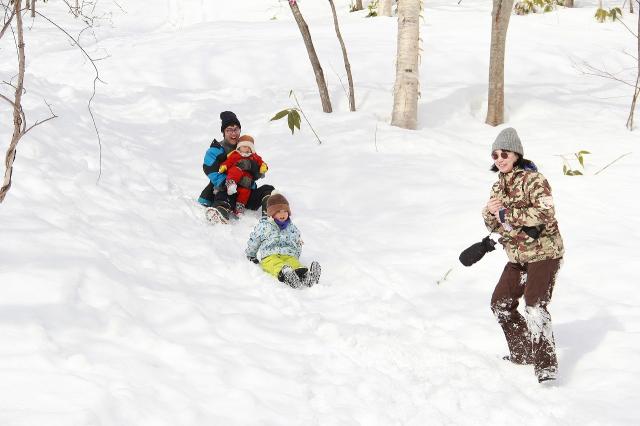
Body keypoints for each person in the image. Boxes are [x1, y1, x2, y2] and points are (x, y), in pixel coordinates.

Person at [481, 127, 564, 383]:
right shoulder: (498, 186)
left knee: (535, 305)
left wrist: (508, 214)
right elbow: (498, 226)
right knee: (500, 303)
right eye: (495, 155)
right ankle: (523, 354)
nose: (499, 159)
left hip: (544, 252)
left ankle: (546, 367)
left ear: (516, 154)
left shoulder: (534, 180)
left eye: (504, 153)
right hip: (518, 257)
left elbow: (545, 213)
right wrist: (489, 212)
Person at [197, 111, 274, 223]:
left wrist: (251, 166)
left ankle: (270, 214)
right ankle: (221, 212)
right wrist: (235, 182)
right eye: (229, 130)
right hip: (225, 191)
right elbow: (212, 172)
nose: (233, 133)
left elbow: (258, 173)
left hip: (245, 193)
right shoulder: (215, 150)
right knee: (223, 195)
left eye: (236, 129)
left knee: (268, 189)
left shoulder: (245, 148)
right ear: (223, 132)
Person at [245, 192, 321, 289]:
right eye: (278, 211)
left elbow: (296, 242)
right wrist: (251, 254)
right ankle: (286, 274)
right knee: (275, 264)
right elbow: (255, 239)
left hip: (288, 254)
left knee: (294, 263)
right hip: (269, 255)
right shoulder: (264, 226)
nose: (282, 214)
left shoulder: (291, 227)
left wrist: (295, 256)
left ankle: (306, 276)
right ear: (272, 213)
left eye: (285, 211)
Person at [218, 134, 268, 216]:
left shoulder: (254, 156)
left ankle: (239, 208)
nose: (247, 149)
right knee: (236, 170)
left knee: (245, 192)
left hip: (246, 180)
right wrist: (224, 166)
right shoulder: (235, 154)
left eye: (249, 147)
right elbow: (228, 162)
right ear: (239, 147)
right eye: (245, 146)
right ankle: (230, 183)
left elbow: (261, 162)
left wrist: (263, 166)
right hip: (235, 174)